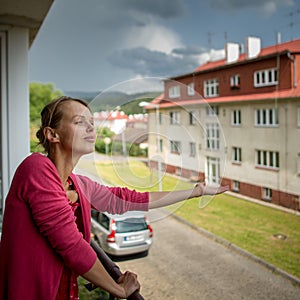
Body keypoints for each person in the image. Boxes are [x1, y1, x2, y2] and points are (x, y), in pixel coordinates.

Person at [0, 96, 228, 299]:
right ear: (52, 134)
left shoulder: (77, 183)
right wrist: (118, 289)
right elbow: (71, 245)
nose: (91, 128)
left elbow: (127, 200)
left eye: (92, 122)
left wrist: (195, 191)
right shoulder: (36, 168)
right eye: (80, 122)